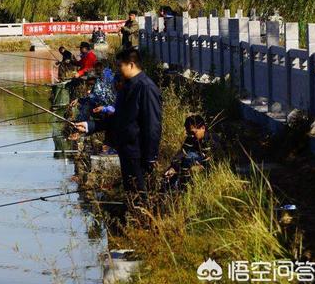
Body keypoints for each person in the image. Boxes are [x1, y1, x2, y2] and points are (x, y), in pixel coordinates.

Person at [74, 48, 162, 196]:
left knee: (140, 194)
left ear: (131, 65)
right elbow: (118, 117)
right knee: (130, 193)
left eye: (120, 66)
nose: (118, 70)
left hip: (139, 153)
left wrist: (150, 157)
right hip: (126, 150)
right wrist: (90, 126)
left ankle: (143, 217)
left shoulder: (146, 88)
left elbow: (153, 126)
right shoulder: (126, 87)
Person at [163, 115, 212, 190]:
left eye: (192, 132)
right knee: (170, 172)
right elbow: (182, 152)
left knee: (189, 157)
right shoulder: (191, 138)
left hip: (204, 171)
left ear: (203, 128)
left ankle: (184, 188)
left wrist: (200, 167)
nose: (190, 136)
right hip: (191, 165)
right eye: (188, 133)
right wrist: (172, 168)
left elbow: (214, 164)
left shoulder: (211, 141)